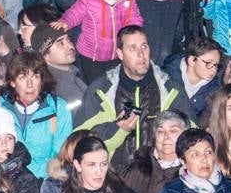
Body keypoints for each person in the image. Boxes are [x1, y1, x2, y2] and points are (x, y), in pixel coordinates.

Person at [75, 26, 195, 167]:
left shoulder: (170, 89)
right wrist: (118, 129)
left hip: (159, 176)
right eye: (132, 48)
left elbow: (193, 138)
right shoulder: (101, 90)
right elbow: (80, 141)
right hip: (114, 178)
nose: (141, 54)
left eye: (144, 46)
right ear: (120, 54)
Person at [0, 51, 75, 181]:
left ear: (42, 80)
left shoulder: (57, 108)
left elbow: (61, 155)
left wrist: (33, 176)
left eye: (35, 76)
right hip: (4, 179)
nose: (30, 84)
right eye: (22, 77)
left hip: (45, 181)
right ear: (12, 82)